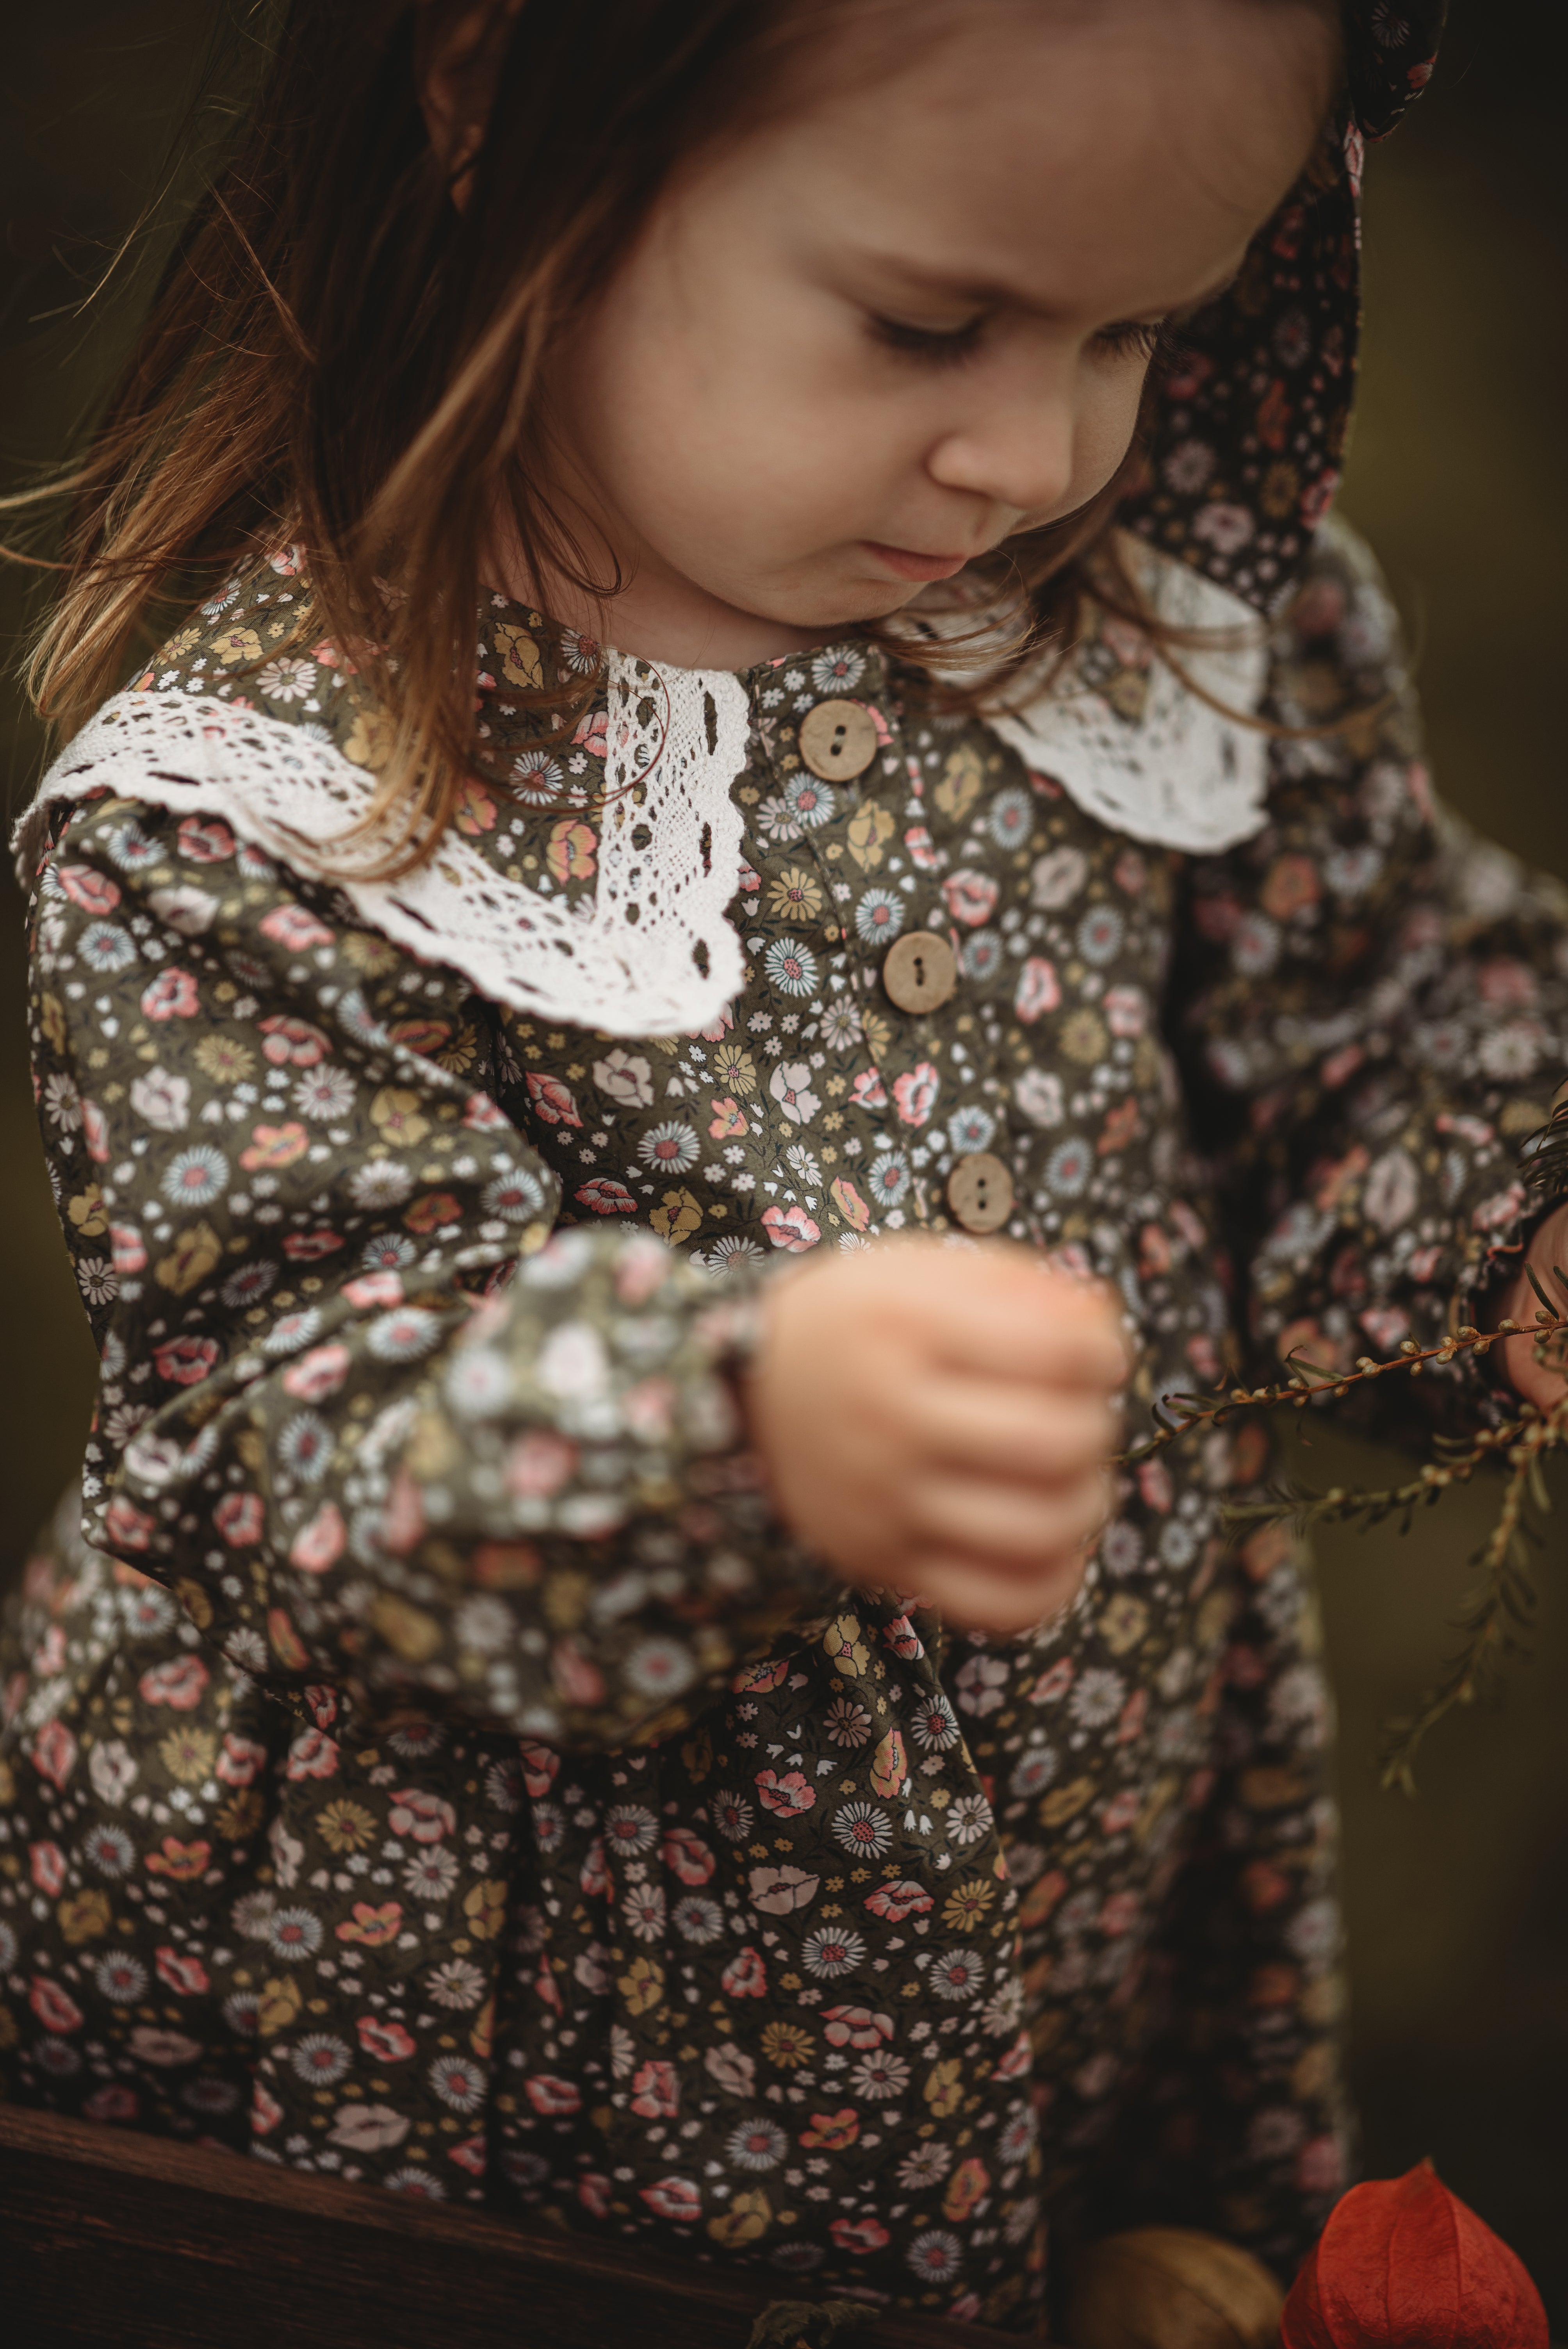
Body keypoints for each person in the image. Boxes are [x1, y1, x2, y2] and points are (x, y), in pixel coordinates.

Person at [4, 0, 1559, 2329]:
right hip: (497, 2054)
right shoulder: (266, 812)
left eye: (1145, 324)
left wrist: (1509, 1208)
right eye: (931, 320)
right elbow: (297, 1419)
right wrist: (738, 1418)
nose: (1029, 451)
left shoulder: (1155, 626)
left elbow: (1366, 1037)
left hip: (1043, 1921)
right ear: (491, 101)